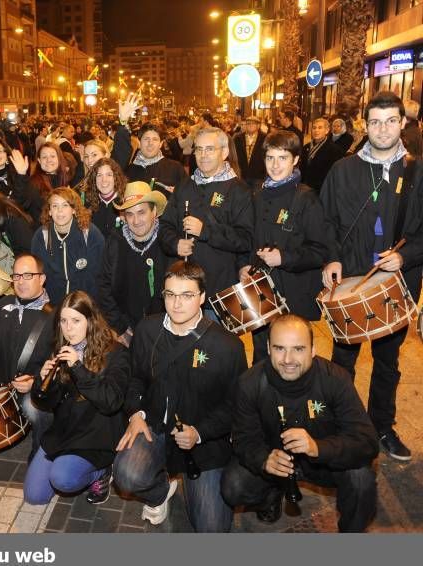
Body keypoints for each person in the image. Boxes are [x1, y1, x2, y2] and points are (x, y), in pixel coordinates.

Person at [320, 91, 423, 461]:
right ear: (365, 124)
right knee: (342, 361)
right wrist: (331, 259)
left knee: (387, 362)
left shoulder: (417, 171)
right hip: (350, 282)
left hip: (397, 284)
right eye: (375, 121)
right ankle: (343, 423)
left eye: (391, 120)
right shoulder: (342, 170)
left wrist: (406, 256)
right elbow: (325, 222)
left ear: (403, 124)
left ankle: (382, 426)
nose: (383, 129)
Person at [114, 261, 246, 532]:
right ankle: (160, 491)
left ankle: (192, 485)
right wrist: (135, 414)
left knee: (211, 531)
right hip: (154, 427)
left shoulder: (228, 346)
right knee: (126, 476)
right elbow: (135, 379)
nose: (176, 304)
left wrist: (200, 432)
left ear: (202, 297)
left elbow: (236, 407)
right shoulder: (147, 330)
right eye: (170, 294)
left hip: (202, 443)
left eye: (186, 295)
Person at [222, 314, 379, 532]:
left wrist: (318, 447)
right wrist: (264, 461)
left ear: (313, 349)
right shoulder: (249, 383)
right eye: (279, 348)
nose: (288, 359)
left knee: (361, 479)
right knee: (233, 486)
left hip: (323, 462)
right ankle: (272, 494)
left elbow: (367, 442)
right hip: (277, 461)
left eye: (298, 349)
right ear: (268, 348)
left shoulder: (335, 379)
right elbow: (243, 439)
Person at [24, 291, 129, 506]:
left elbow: (111, 401)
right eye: (63, 320)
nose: (68, 328)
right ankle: (68, 464)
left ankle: (100, 472)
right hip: (65, 431)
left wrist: (78, 368)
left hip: (96, 435)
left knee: (63, 479)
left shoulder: (116, 352)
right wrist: (42, 383)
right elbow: (44, 404)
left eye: (75, 320)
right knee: (35, 496)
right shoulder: (60, 350)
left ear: (91, 321)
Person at [238, 131, 328, 362]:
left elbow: (319, 251)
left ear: (296, 160)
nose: (275, 165)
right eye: (270, 158)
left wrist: (284, 258)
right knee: (260, 355)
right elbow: (247, 238)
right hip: (261, 293)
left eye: (283, 158)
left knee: (290, 360)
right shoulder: (256, 193)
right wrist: (244, 266)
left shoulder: (307, 198)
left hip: (293, 295)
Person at [158, 127, 254, 315]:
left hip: (221, 292)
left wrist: (207, 231)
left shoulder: (238, 190)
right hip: (183, 290)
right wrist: (175, 243)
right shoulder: (185, 185)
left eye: (210, 149)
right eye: (198, 149)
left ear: (224, 153)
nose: (203, 155)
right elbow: (165, 226)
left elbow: (245, 238)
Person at [0, 253, 55, 459]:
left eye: (28, 275)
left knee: (36, 411)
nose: (20, 282)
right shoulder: (3, 304)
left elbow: (58, 364)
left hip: (33, 389)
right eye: (16, 276)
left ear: (42, 278)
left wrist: (35, 381)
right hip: (2, 386)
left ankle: (41, 453)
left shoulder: (55, 316)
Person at [98, 181, 168, 346]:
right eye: (130, 214)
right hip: (126, 331)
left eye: (141, 212)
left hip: (164, 329)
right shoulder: (115, 242)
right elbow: (104, 285)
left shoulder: (167, 242)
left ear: (154, 212)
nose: (136, 221)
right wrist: (120, 327)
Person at [31, 187, 105, 304]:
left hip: (83, 305)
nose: (60, 211)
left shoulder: (90, 234)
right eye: (55, 206)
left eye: (65, 205)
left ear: (74, 209)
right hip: (51, 306)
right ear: (49, 211)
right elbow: (37, 275)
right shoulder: (41, 236)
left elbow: (99, 277)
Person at [112, 95, 187, 198]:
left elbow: (189, 198)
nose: (150, 143)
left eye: (155, 139)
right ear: (139, 142)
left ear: (161, 144)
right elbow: (119, 155)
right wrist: (123, 122)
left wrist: (179, 197)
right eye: (146, 139)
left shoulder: (175, 168)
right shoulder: (129, 171)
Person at [0, 139, 42, 220]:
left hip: (15, 221)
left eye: (0, 151)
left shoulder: (17, 175)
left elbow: (23, 203)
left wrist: (21, 175)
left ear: (7, 155)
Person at [300, 118, 345, 193]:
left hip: (322, 189)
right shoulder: (306, 147)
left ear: (327, 131)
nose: (316, 130)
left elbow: (335, 174)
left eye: (320, 128)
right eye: (314, 128)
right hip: (304, 187)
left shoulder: (334, 150)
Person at [84, 157, 127, 237]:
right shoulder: (88, 206)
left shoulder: (126, 204)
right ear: (94, 179)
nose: (104, 180)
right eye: (99, 175)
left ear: (116, 177)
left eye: (109, 174)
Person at [232, 116, 267, 191]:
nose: (250, 125)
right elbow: (234, 155)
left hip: (258, 175)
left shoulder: (265, 138)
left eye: (253, 123)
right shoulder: (238, 138)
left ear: (258, 125)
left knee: (257, 197)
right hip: (242, 174)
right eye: (248, 123)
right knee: (243, 196)